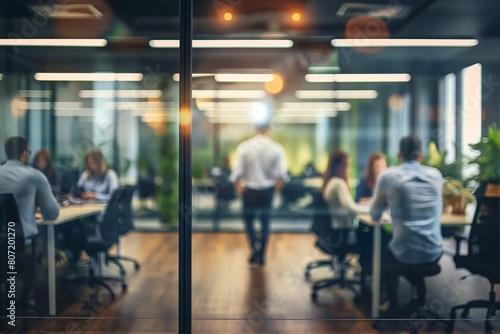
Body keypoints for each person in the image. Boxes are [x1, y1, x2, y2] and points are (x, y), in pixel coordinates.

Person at [369, 136, 443, 314]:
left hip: (404, 254)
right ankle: (420, 299)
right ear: (422, 156)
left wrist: (389, 203)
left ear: (399, 156)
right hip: (433, 252)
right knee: (413, 248)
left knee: (386, 257)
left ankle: (393, 305)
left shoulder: (388, 176)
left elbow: (374, 214)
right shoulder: (436, 176)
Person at [0, 136, 59, 303]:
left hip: (2, 245)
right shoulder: (34, 175)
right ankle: (26, 299)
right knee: (42, 247)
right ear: (24, 153)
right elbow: (52, 214)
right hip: (20, 249)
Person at [230, 123, 289, 265]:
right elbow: (282, 175)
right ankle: (262, 255)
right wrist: (276, 188)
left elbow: (237, 174)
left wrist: (238, 187)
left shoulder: (244, 147)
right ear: (268, 130)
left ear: (256, 130)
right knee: (265, 223)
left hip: (249, 190)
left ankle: (254, 249)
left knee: (249, 222)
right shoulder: (276, 148)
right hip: (267, 190)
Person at [321, 150, 369, 229]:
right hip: (342, 231)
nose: (349, 169)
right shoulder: (338, 183)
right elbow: (351, 208)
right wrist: (372, 210)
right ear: (339, 167)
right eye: (347, 165)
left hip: (335, 230)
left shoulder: (330, 182)